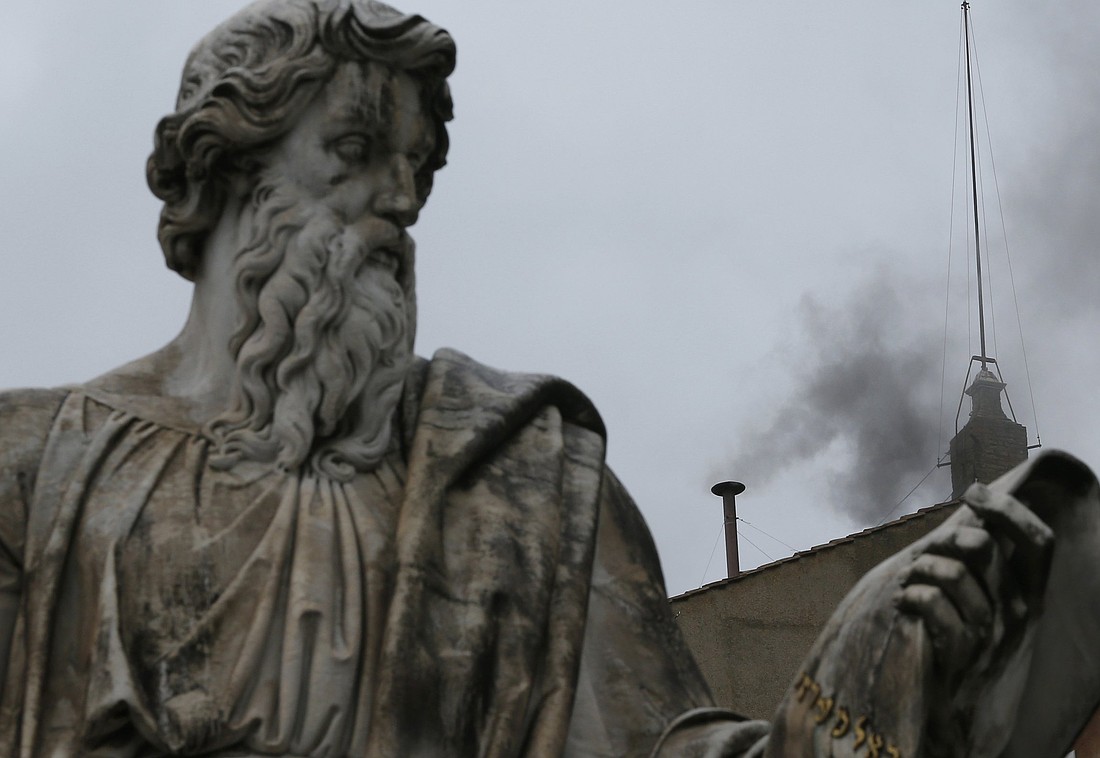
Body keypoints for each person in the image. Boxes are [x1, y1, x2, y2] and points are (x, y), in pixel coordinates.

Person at [0, 1, 1092, 755]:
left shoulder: (518, 481)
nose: (399, 201)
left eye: (417, 171)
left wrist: (860, 678)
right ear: (225, 167)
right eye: (353, 150)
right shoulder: (34, 470)